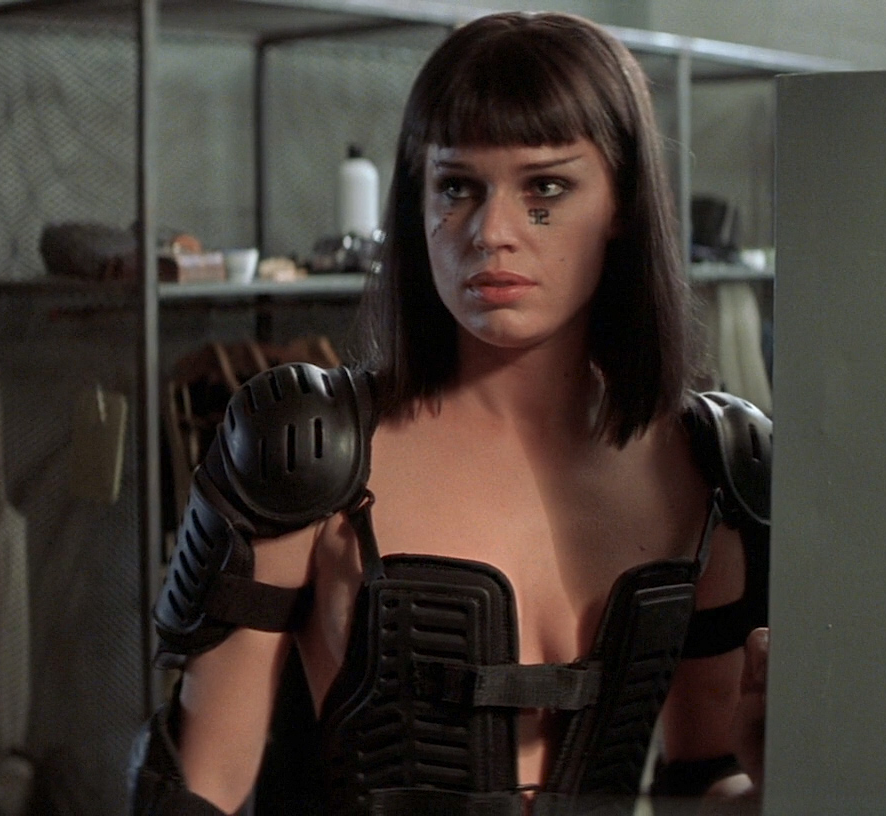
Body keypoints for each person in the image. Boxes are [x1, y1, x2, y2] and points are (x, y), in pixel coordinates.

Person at [131, 11, 771, 815]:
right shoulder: (306, 452)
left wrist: (778, 786)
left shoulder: (712, 467)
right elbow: (193, 791)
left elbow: (703, 780)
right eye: (458, 187)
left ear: (622, 203)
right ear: (418, 198)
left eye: (545, 187)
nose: (492, 233)